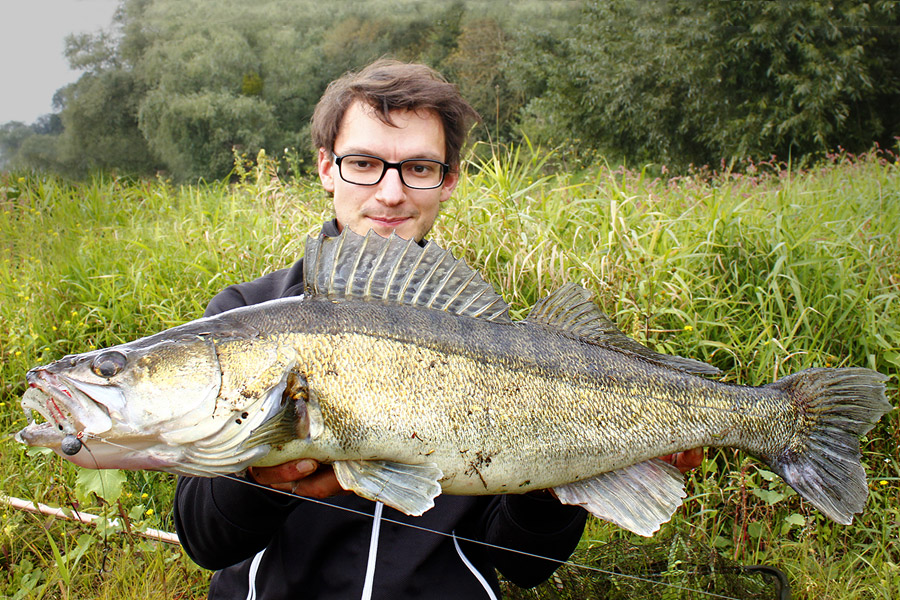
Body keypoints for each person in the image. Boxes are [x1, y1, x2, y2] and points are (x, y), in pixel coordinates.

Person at [174, 59, 703, 599]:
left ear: (447, 180)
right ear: (327, 168)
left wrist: (559, 472)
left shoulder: (494, 341)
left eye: (419, 169)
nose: (389, 193)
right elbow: (205, 543)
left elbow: (523, 564)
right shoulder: (243, 318)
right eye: (363, 163)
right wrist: (263, 479)